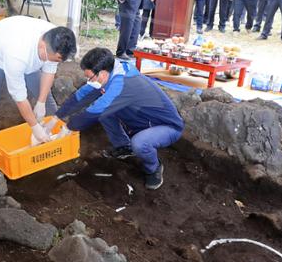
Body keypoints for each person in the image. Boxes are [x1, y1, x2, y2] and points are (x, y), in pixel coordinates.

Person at [50, 48, 184, 190]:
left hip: (166, 127)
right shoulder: (109, 73)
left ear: (101, 74)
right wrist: (57, 116)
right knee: (105, 113)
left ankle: (154, 168)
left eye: (90, 77)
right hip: (142, 122)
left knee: (139, 143)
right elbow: (81, 96)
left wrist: (69, 127)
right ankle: (124, 147)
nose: (89, 81)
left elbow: (95, 111)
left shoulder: (123, 83)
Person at [0, 16, 77, 161]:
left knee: (47, 99)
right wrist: (34, 127)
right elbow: (19, 97)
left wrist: (41, 102)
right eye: (55, 58)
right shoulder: (17, 55)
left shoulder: (56, 38)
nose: (56, 62)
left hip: (24, 54)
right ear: (42, 47)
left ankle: (55, 139)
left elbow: (49, 71)